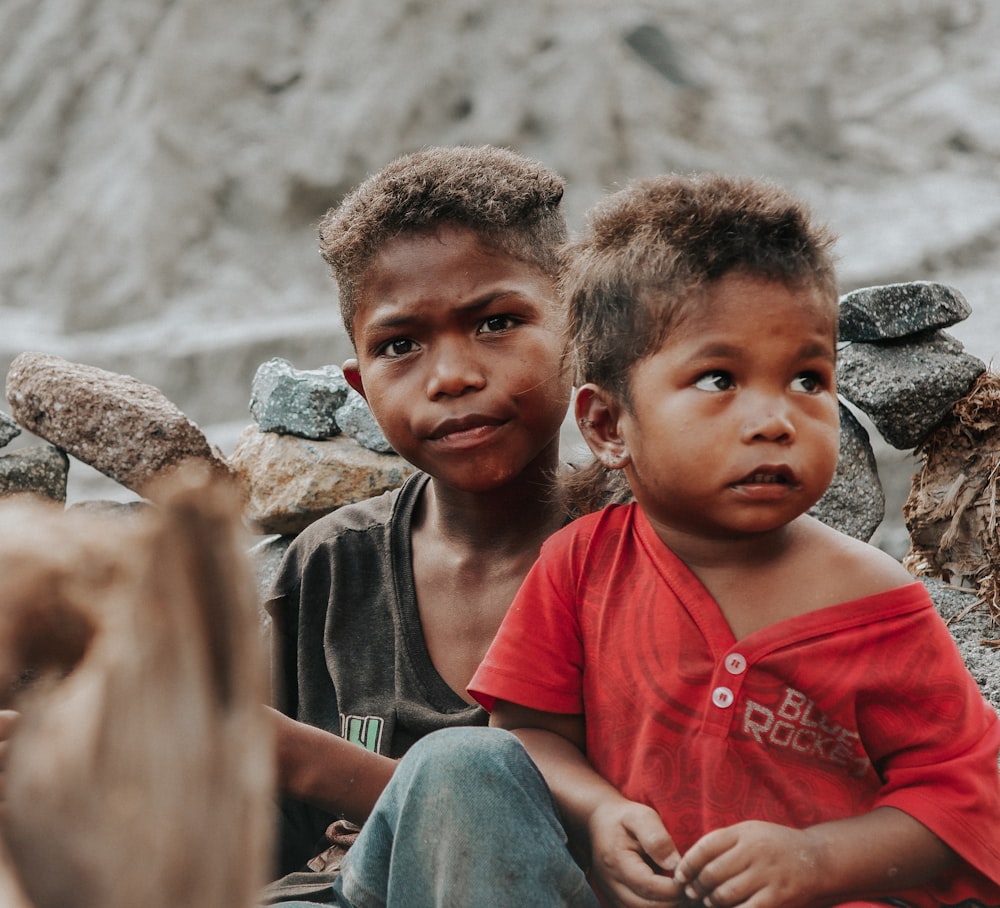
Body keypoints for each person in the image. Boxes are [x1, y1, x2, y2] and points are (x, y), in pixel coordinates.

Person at [323, 173, 1000, 908]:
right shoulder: (581, 567)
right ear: (609, 426)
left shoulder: (878, 605)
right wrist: (599, 811)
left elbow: (968, 800)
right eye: (718, 380)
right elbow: (527, 737)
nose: (775, 419)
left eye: (808, 378)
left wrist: (818, 860)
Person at [262, 144, 576, 904]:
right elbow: (251, 826)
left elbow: (622, 828)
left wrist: (308, 759)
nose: (451, 377)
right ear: (359, 384)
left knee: (466, 770)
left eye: (497, 322)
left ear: (582, 329)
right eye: (400, 346)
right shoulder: (333, 567)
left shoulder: (647, 557)